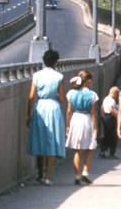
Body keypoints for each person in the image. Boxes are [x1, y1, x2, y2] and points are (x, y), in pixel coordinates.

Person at [26, 49, 67, 184]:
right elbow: (61, 98)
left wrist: (28, 114)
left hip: (40, 107)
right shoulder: (59, 76)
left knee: (39, 139)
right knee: (52, 141)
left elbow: (31, 96)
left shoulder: (37, 75)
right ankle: (48, 177)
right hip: (53, 108)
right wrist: (53, 95)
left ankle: (39, 174)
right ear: (56, 62)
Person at [64, 72, 99, 185]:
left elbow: (69, 111)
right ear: (88, 81)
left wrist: (68, 125)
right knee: (89, 147)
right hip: (86, 119)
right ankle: (85, 173)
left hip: (76, 118)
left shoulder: (71, 93)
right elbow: (93, 112)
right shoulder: (92, 94)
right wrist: (95, 127)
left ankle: (77, 175)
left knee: (78, 150)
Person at [99, 86, 119, 158]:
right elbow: (111, 109)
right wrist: (117, 116)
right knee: (113, 136)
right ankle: (112, 153)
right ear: (115, 93)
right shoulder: (111, 100)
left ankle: (102, 151)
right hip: (111, 117)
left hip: (106, 117)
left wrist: (103, 115)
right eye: (117, 94)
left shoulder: (106, 99)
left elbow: (102, 108)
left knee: (106, 135)